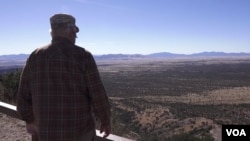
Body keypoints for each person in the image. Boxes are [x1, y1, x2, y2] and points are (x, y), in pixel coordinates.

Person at [17, 13, 111, 141]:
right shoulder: (83, 56)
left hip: (44, 133)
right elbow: (97, 94)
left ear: (52, 32)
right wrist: (105, 120)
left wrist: (29, 120)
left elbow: (23, 95)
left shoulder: (35, 56)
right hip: (78, 132)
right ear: (72, 31)